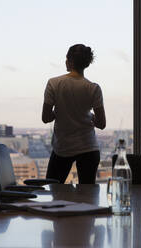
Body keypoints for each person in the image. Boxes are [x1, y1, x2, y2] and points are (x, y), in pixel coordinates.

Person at [42, 44, 106, 184]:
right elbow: (101, 124)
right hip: (88, 147)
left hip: (62, 147)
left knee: (53, 191)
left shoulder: (54, 83)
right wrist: (88, 116)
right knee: (88, 197)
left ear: (69, 61)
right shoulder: (93, 88)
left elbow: (45, 118)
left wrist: (60, 111)